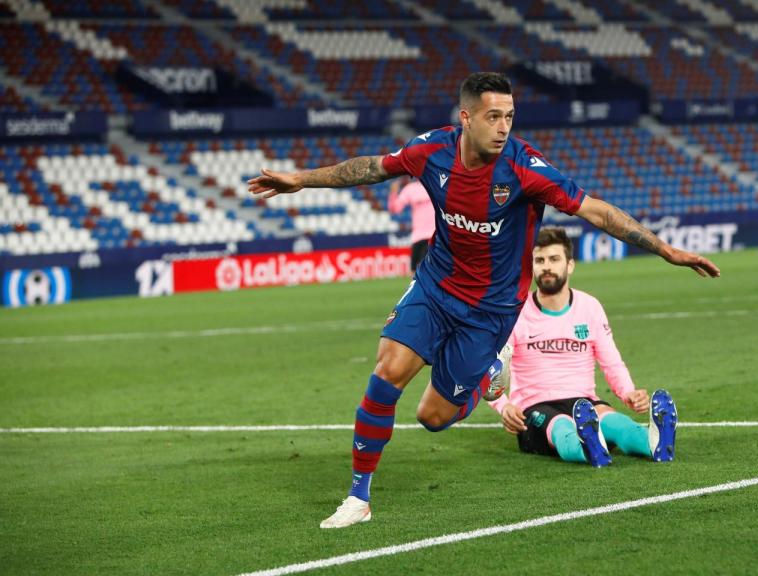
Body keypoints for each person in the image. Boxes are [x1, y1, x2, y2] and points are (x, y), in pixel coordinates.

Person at [247, 72, 720, 529]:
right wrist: (301, 179)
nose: (503, 127)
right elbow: (371, 168)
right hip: (435, 285)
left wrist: (664, 249)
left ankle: (486, 379)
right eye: (493, 116)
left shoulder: (523, 168)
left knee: (432, 418)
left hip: (489, 312)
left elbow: (596, 210)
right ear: (466, 118)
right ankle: (358, 496)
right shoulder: (431, 150)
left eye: (509, 117)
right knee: (386, 372)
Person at [488, 227, 677, 467]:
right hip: (534, 406)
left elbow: (611, 360)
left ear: (570, 265)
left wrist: (628, 392)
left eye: (554, 259)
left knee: (615, 422)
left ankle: (653, 443)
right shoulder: (515, 312)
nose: (546, 266)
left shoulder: (590, 307)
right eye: (539, 260)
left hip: (583, 403)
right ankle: (588, 449)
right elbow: (491, 368)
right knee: (562, 427)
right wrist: (504, 407)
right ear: (531, 266)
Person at [388, 176, 434, 271]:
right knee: (415, 270)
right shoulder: (410, 189)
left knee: (427, 270)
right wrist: (393, 193)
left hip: (434, 236)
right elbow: (395, 208)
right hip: (418, 236)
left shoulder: (434, 183)